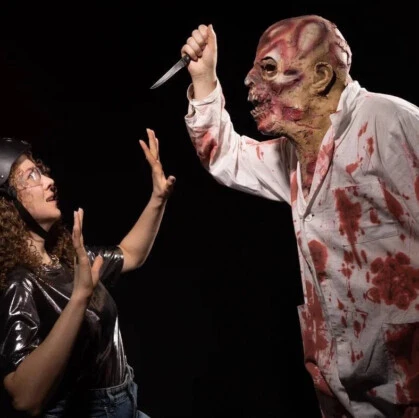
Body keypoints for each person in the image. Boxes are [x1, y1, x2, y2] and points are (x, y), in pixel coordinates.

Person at [179, 15, 419, 417]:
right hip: (342, 391)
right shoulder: (295, 155)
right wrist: (204, 78)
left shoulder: (390, 123)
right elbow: (225, 156)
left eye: (269, 68)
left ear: (321, 76)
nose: (249, 80)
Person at [0, 129, 175, 417]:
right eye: (31, 176)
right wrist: (80, 297)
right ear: (8, 202)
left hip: (125, 403)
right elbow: (24, 398)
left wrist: (158, 198)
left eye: (41, 172)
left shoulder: (66, 258)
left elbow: (130, 254)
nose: (49, 181)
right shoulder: (20, 283)